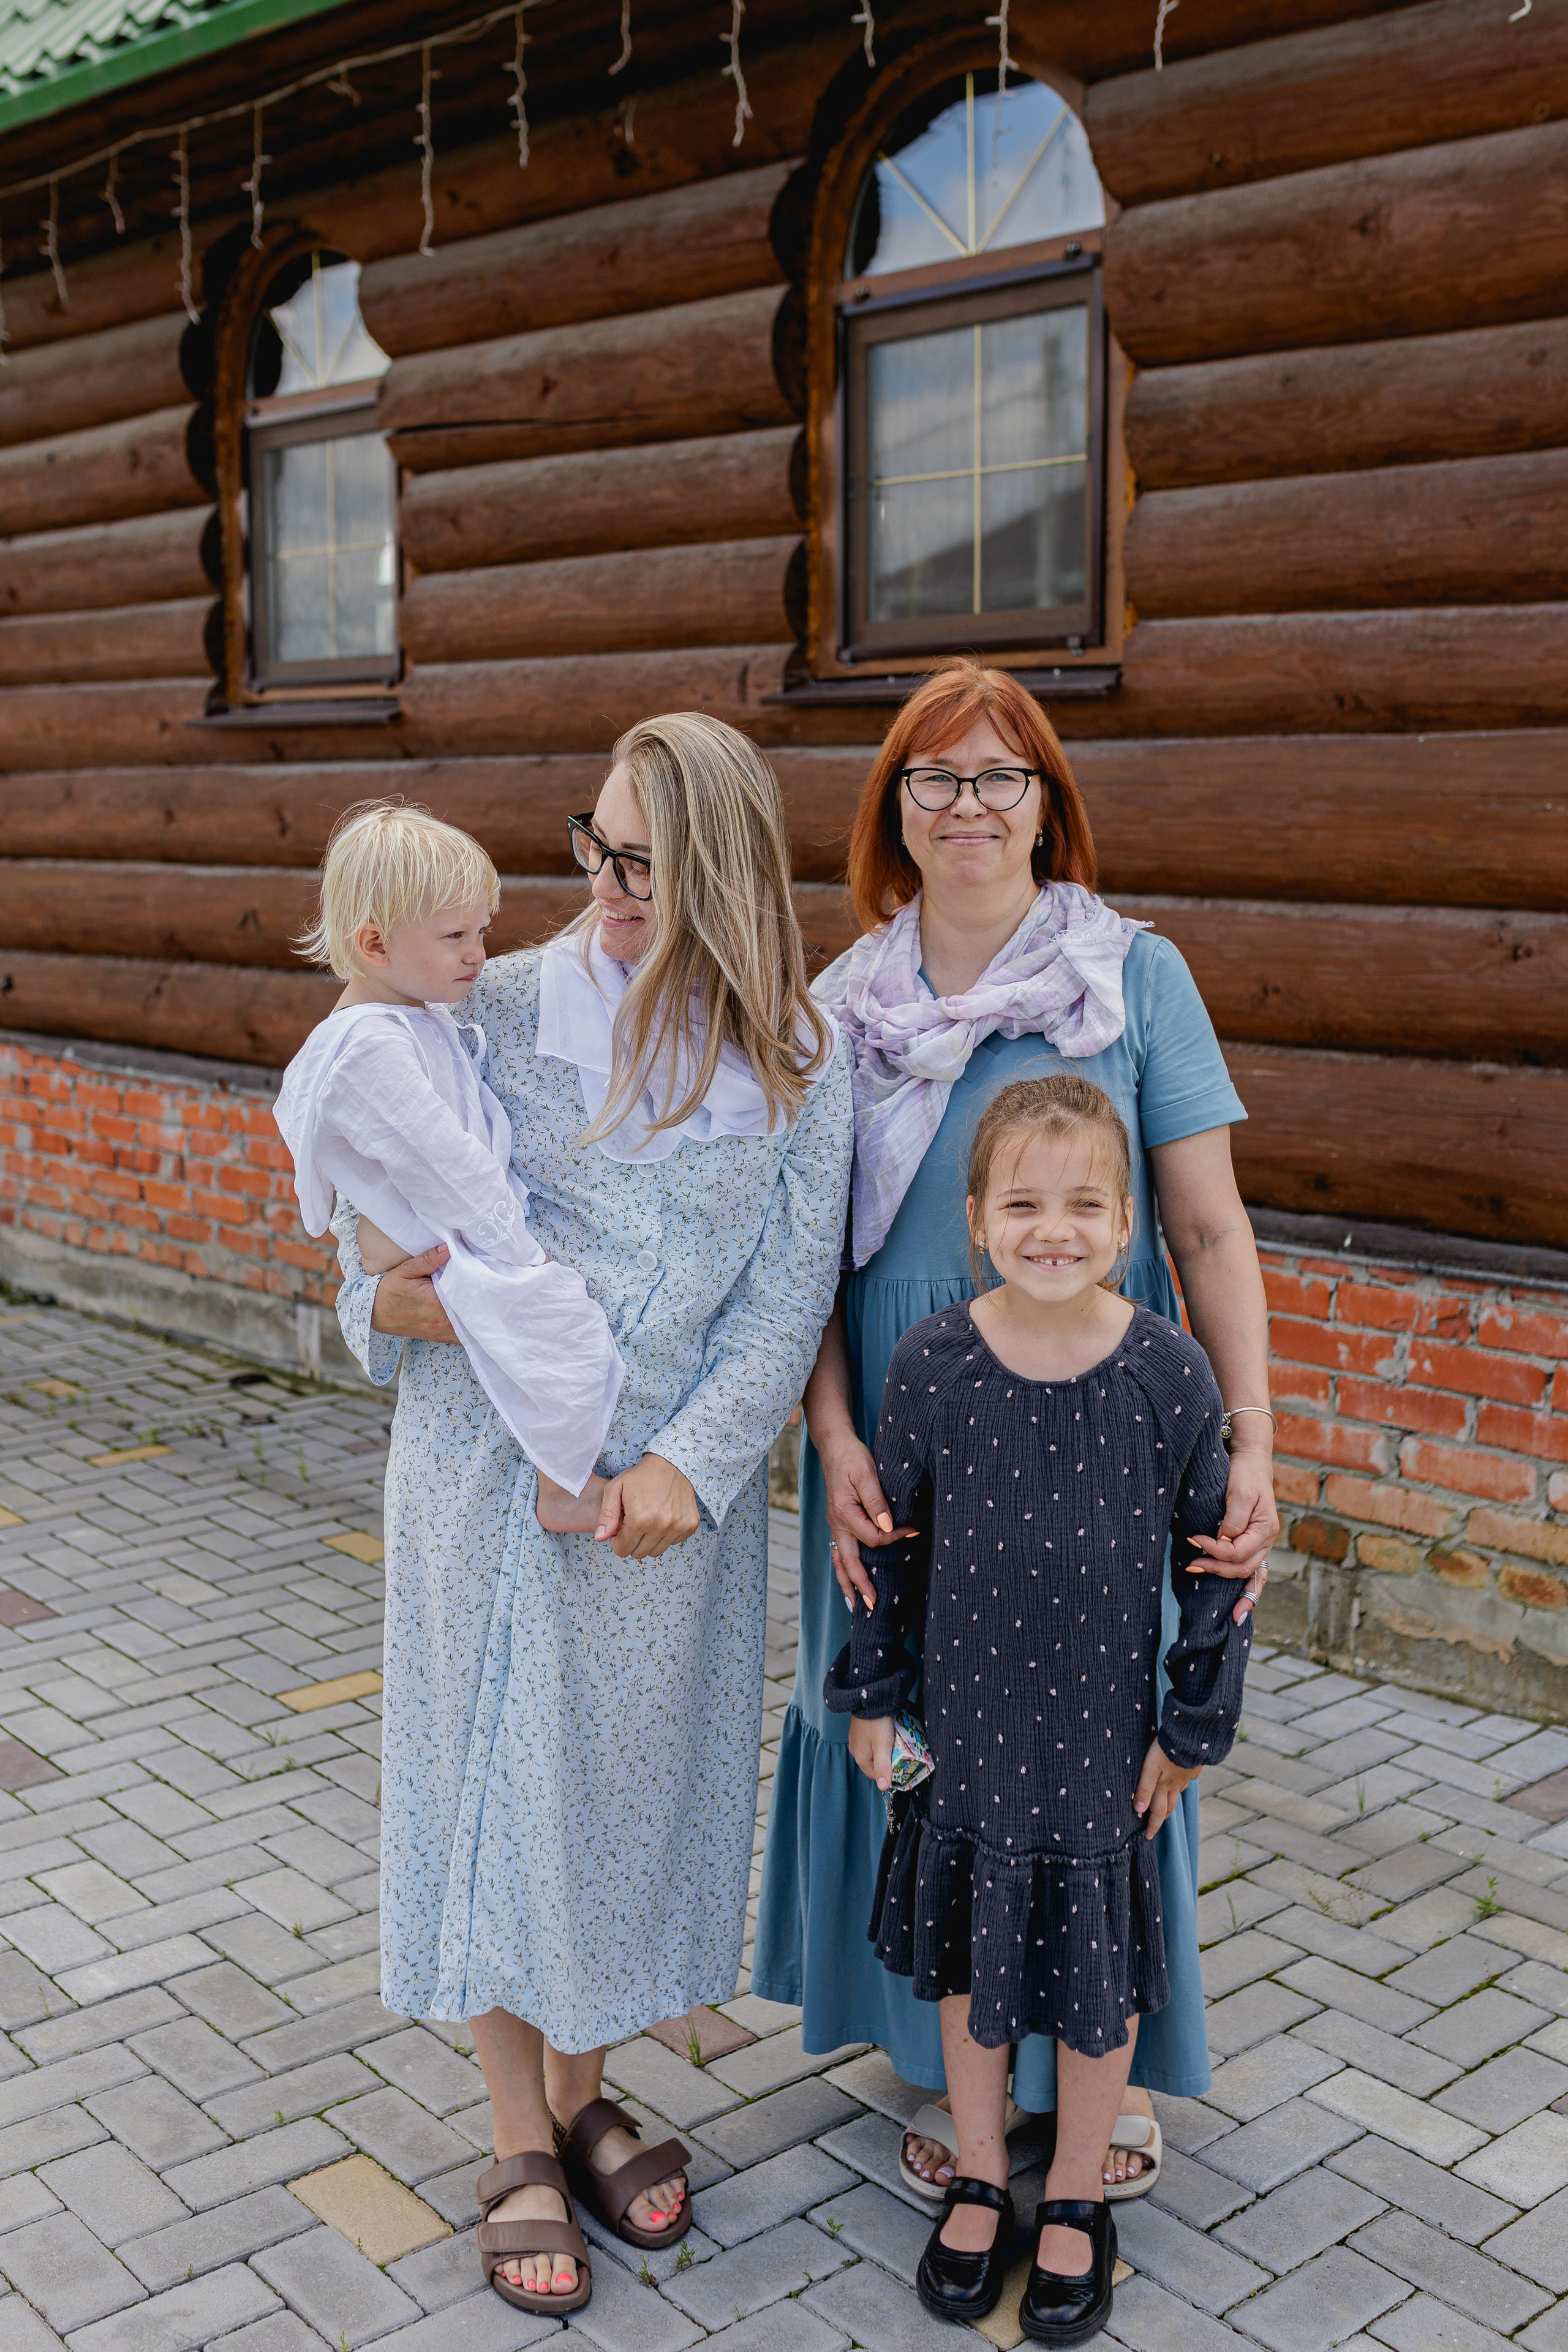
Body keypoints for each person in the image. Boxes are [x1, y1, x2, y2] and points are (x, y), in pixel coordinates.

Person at [328, 715, 853, 2318]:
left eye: (647, 862)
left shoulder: (796, 1058)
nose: (608, 887)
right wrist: (411, 1308)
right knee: (501, 1793)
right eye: (598, 848)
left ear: (726, 873)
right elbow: (367, 1252)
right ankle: (515, 2143)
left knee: (618, 1807)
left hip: (660, 1515)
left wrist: (681, 1473)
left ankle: (582, 2087)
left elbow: (782, 1302)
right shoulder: (475, 1010)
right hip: (488, 1486)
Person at [753, 659, 1278, 2196]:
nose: (968, 805)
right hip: (899, 1434)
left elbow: (1207, 1226)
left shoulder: (1131, 976)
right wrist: (830, 1438)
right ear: (893, 814)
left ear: (1046, 804)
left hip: (1095, 1436)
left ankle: (1092, 2068)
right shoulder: (837, 1010)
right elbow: (801, 1269)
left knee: (1088, 1731)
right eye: (935, 779)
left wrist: (1246, 1436)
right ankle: (942, 2068)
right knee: (924, 1728)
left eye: (998, 776)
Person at [830, 1074, 1249, 2341]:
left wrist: (1188, 1728)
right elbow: (883, 1547)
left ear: (1123, 1222)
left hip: (1097, 1750)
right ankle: (974, 2167)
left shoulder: (1168, 1375)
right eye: (1021, 1203)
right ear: (975, 1219)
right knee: (964, 1963)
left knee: (1093, 1979)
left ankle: (1071, 2193)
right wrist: (870, 1697)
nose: (1049, 1229)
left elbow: (1214, 1565)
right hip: (963, 1734)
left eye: (1079, 1205)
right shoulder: (934, 1365)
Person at [275, 801, 623, 1514]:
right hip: (444, 1240)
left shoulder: (413, 1016)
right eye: (455, 935)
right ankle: (565, 1487)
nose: (478, 954)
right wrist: (521, 1255)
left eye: (482, 930)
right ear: (374, 945)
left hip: (448, 1235)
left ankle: (561, 1476)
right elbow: (443, 1165)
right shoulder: (369, 1048)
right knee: (563, 1327)